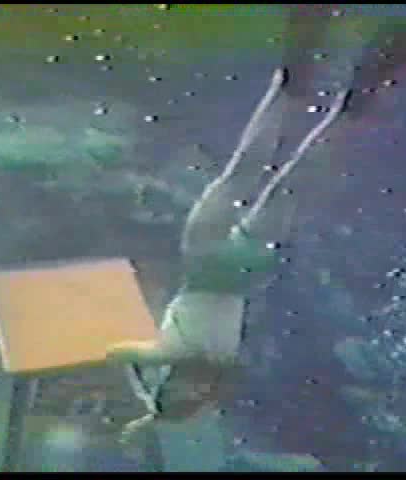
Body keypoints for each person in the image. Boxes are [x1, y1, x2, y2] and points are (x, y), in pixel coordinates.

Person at [106, 67, 350, 439]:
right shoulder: (176, 353)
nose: (191, 389)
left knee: (288, 188)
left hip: (245, 271)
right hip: (205, 260)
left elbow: (178, 388)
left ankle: (341, 114)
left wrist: (151, 414)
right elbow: (116, 353)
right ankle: (287, 89)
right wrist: (148, 395)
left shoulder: (219, 360)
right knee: (243, 173)